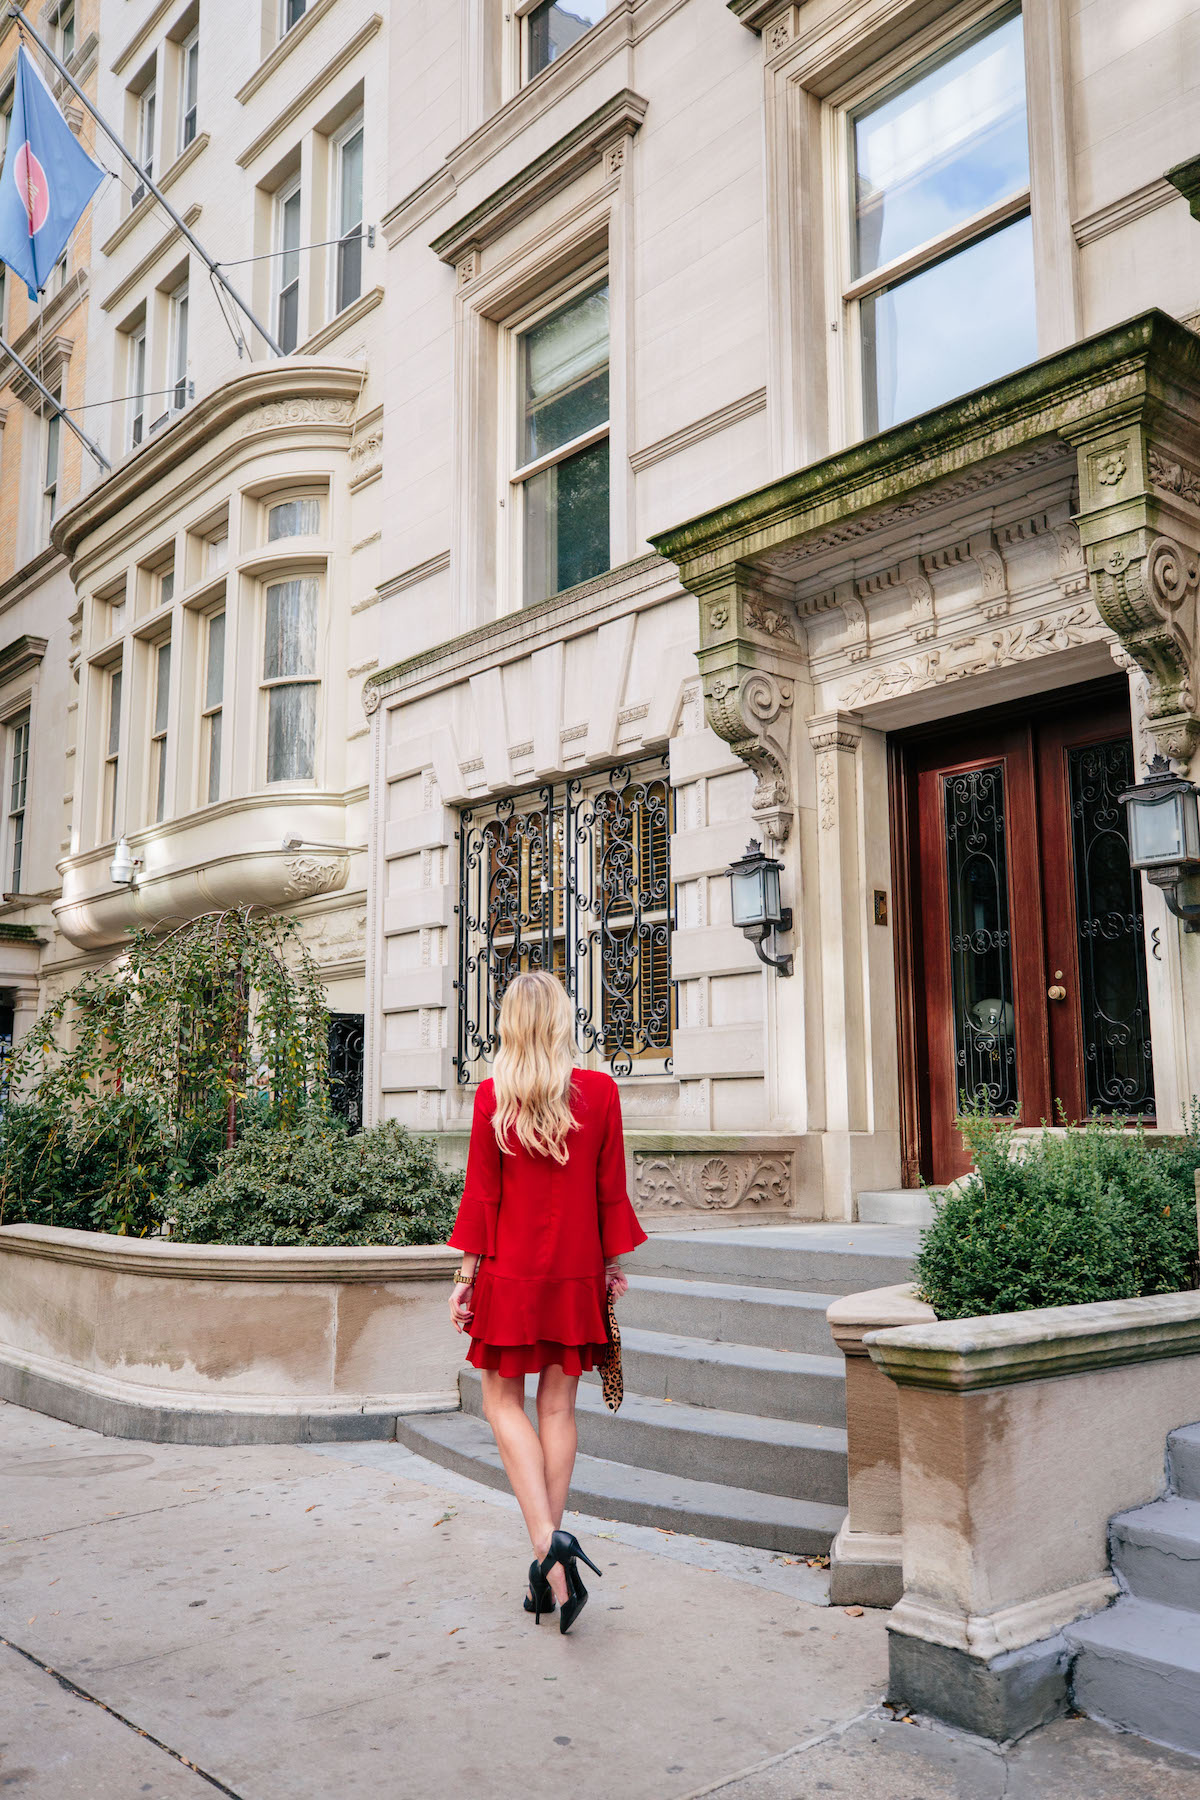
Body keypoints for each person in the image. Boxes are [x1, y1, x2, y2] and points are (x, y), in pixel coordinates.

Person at [447, 970, 647, 1634]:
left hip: (510, 1273)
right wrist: (612, 1267)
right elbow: (608, 1189)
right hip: (576, 1272)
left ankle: (546, 1548)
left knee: (500, 1401)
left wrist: (464, 1280)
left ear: (509, 1026)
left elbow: (482, 1197)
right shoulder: (601, 1092)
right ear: (563, 1022)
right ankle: (551, 1568)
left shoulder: (492, 1099)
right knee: (557, 1406)